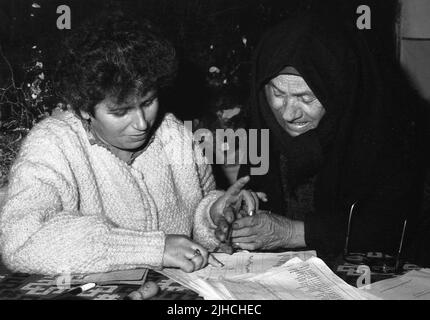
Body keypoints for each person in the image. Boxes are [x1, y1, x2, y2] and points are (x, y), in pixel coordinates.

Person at [0, 14, 260, 275]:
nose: (142, 123)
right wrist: (153, 249)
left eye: (148, 103)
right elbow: (21, 243)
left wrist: (214, 215)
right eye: (120, 112)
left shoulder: (176, 136)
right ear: (84, 109)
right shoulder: (53, 144)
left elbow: (197, 218)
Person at [229, 13, 425, 261]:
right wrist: (236, 215)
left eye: (306, 98)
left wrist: (292, 233)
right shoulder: (261, 126)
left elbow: (392, 229)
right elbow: (251, 194)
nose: (289, 114)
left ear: (340, 90)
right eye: (278, 93)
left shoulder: (388, 133)